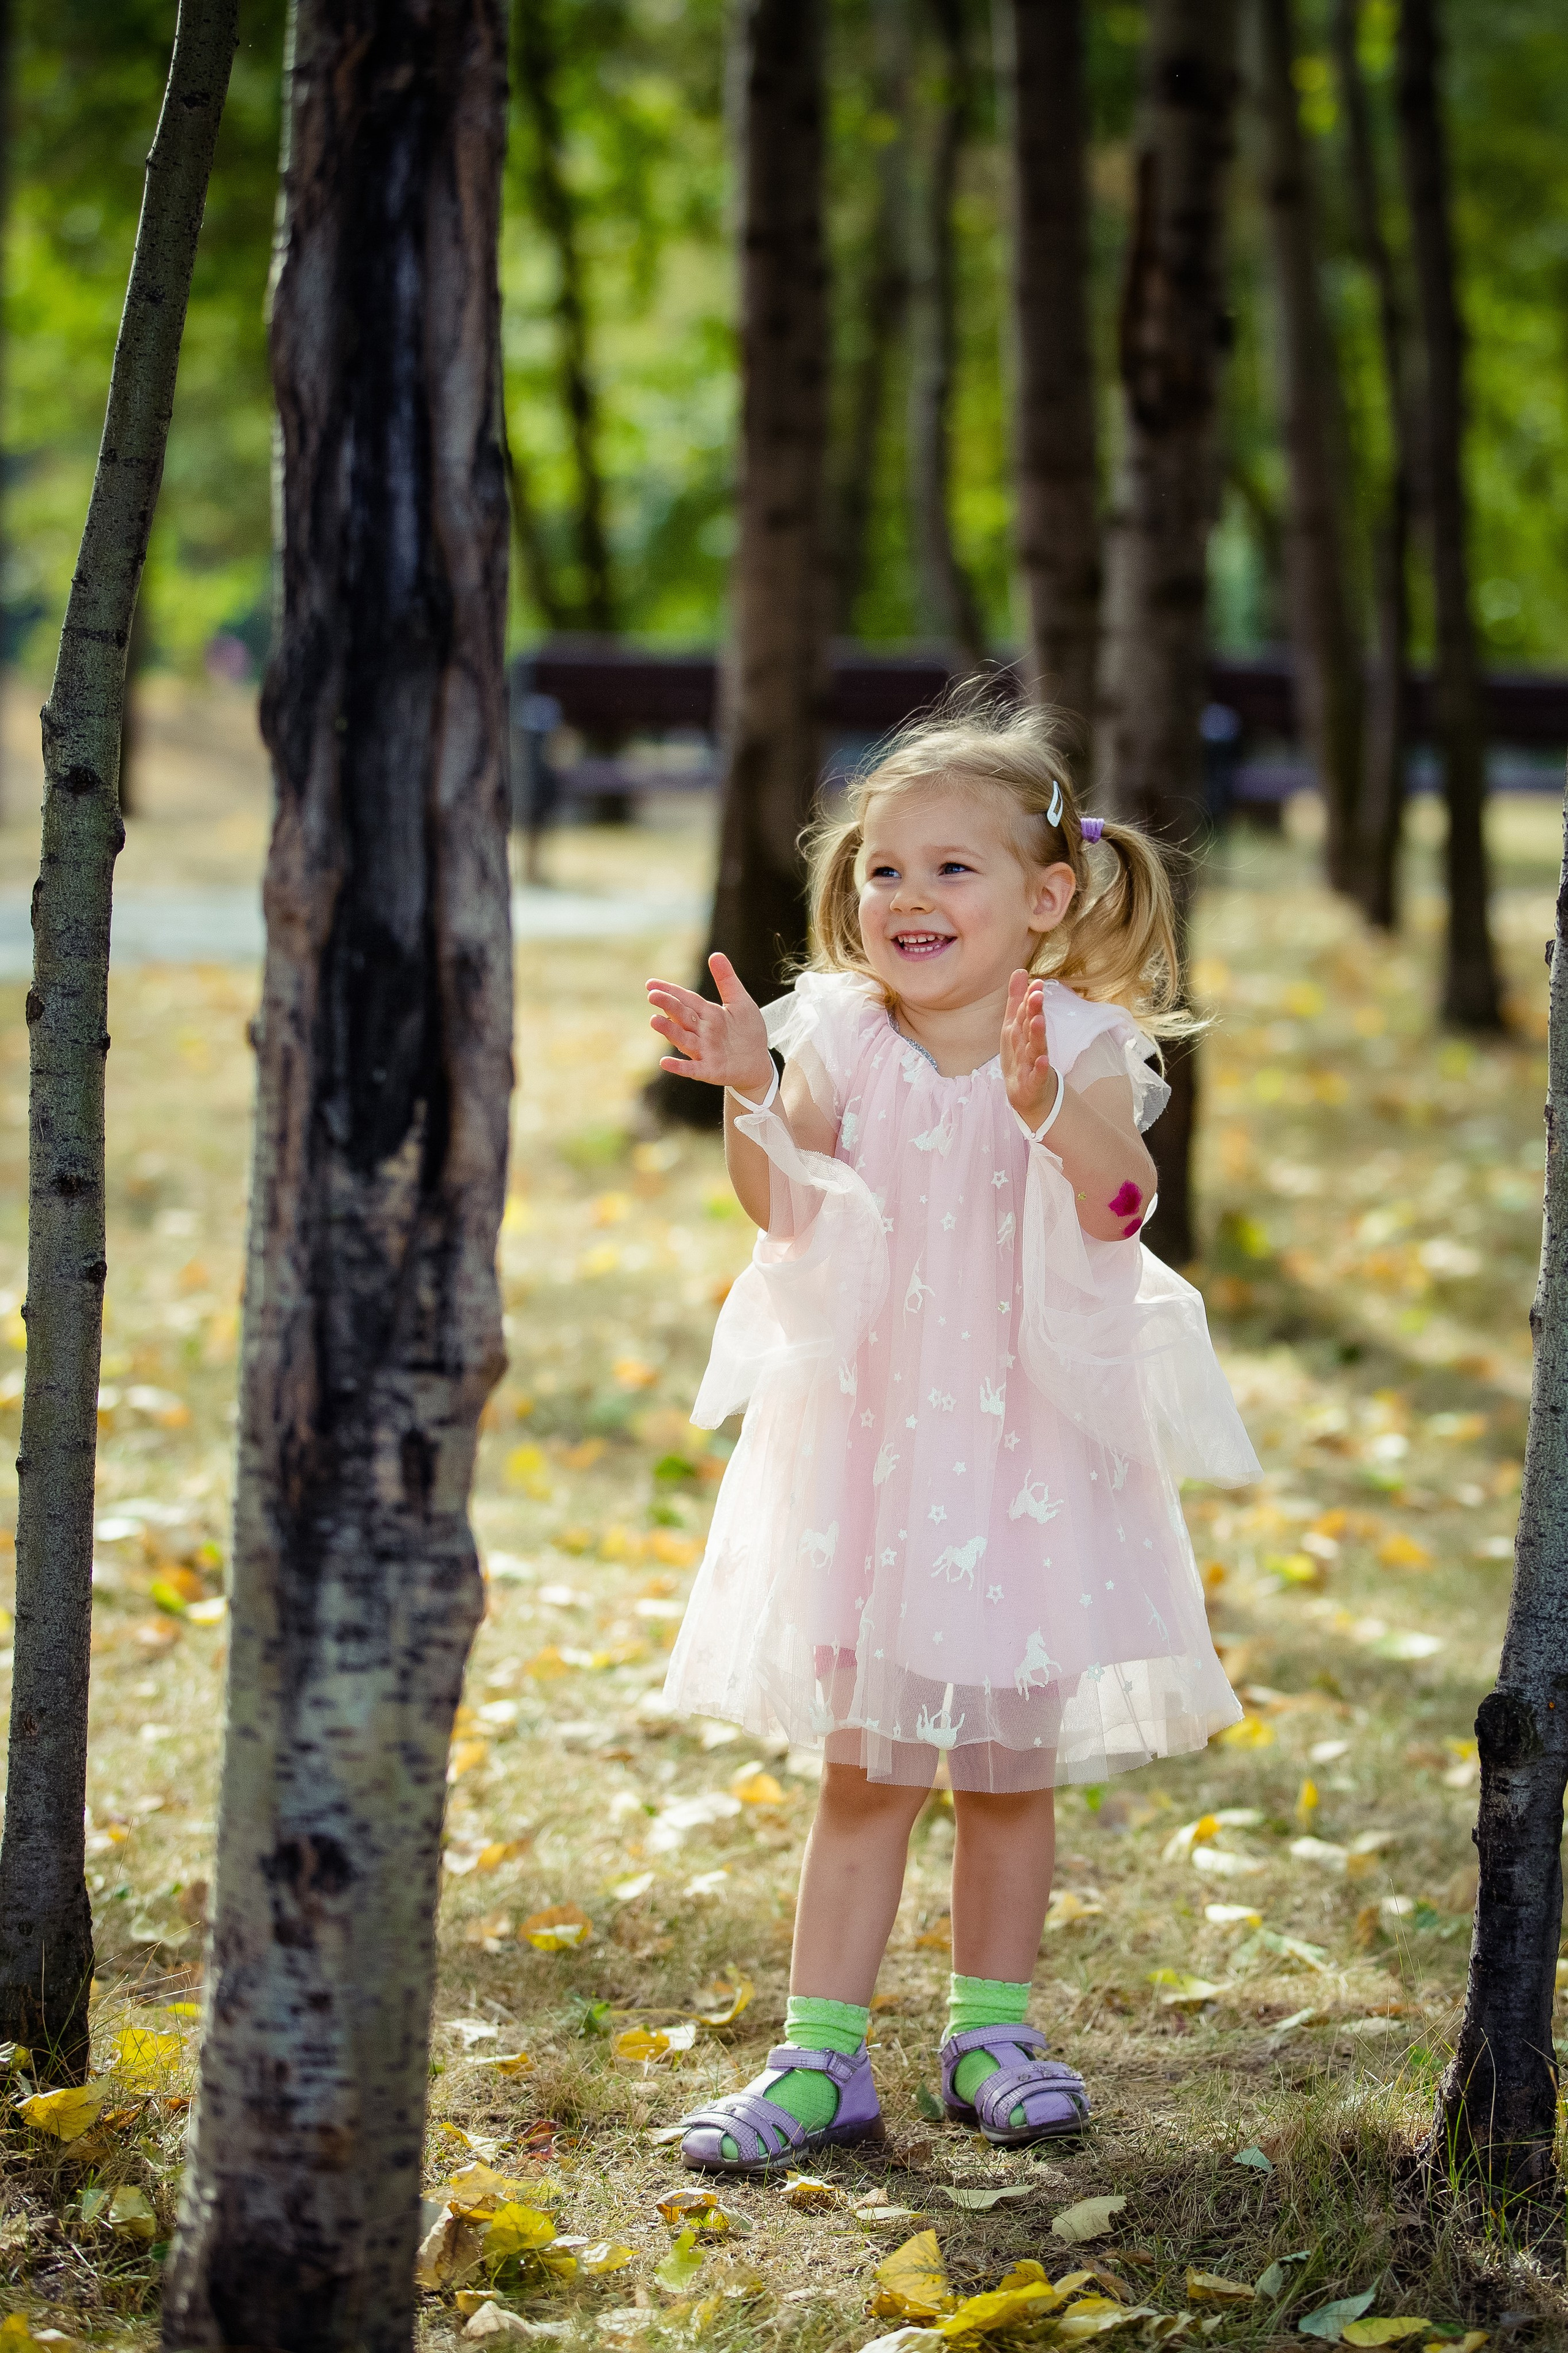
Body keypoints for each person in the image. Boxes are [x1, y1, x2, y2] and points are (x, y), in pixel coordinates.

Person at [644, 704, 1261, 2175]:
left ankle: (991, 2031)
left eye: (950, 871)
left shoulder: (1088, 1045)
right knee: (865, 1771)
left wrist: (1048, 1109)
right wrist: (747, 1090)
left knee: (1005, 1771)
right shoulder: (840, 1033)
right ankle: (819, 2060)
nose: (907, 900)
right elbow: (784, 1206)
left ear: (1045, 896)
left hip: (1025, 1457)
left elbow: (1121, 1211)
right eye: (881, 871)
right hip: (872, 1451)